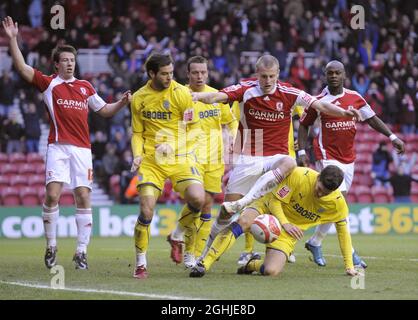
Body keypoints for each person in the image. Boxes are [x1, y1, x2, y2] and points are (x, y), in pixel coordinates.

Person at [192, 55, 360, 266]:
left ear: (278, 74)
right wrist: (198, 97)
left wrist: (344, 112)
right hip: (250, 156)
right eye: (263, 76)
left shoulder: (290, 92)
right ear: (257, 74)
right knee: (224, 214)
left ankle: (246, 207)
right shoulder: (246, 89)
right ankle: (204, 254)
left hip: (277, 156)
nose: (268, 81)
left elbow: (321, 106)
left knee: (289, 163)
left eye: (271, 76)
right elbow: (217, 97)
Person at [2, 16, 132, 270]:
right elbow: (22, 68)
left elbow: (104, 110)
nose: (70, 64)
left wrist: (121, 103)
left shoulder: (85, 87)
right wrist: (13, 39)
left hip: (83, 150)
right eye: (65, 60)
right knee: (52, 195)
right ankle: (51, 245)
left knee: (83, 196)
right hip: (58, 146)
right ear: (57, 64)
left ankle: (81, 252)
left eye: (72, 60)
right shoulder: (49, 84)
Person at [297, 60, 405, 267]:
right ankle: (351, 254)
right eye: (330, 73)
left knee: (336, 204)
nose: (334, 76)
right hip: (327, 155)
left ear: (344, 75)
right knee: (340, 201)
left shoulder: (355, 98)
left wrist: (392, 137)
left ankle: (314, 241)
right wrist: (302, 151)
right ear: (325, 75)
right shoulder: (318, 101)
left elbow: (372, 119)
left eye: (338, 73)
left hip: (349, 158)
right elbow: (304, 126)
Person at [189, 165, 359, 278]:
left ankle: (252, 265)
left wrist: (349, 266)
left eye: (325, 193)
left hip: (286, 233)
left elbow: (343, 233)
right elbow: (275, 201)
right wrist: (285, 222)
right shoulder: (300, 175)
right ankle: (205, 263)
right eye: (319, 189)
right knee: (244, 221)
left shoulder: (338, 204)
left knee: (271, 271)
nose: (320, 195)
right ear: (318, 177)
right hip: (268, 208)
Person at [130, 53, 205, 279]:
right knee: (146, 210)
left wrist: (173, 146)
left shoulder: (181, 93)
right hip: (152, 162)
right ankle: (141, 263)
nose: (169, 77)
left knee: (198, 199)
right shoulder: (139, 98)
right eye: (164, 74)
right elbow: (137, 133)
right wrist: (136, 155)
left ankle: (177, 234)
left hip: (180, 157)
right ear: (152, 73)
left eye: (171, 73)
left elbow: (194, 129)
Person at [166, 55, 239, 268]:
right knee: (196, 202)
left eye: (203, 72)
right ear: (188, 74)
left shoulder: (216, 96)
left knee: (206, 206)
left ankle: (196, 252)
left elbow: (231, 121)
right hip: (190, 157)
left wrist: (234, 138)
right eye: (195, 72)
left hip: (215, 159)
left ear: (208, 73)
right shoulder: (180, 96)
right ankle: (187, 248)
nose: (199, 76)